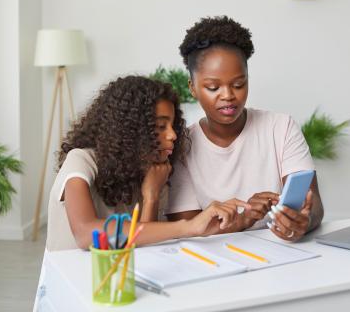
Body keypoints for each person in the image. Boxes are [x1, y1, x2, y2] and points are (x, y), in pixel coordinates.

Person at [166, 16, 324, 241]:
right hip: (215, 263)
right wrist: (244, 219)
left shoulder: (280, 127)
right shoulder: (183, 146)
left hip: (282, 254)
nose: (228, 95)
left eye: (239, 84)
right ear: (193, 88)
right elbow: (188, 229)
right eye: (213, 87)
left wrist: (303, 221)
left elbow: (314, 204)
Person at [46, 75, 246, 251]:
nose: (173, 134)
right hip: (72, 280)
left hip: (116, 281)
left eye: (172, 125)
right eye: (160, 126)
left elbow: (140, 248)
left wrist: (151, 196)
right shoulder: (81, 160)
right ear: (129, 130)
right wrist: (189, 227)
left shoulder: (155, 174)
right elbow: (85, 233)